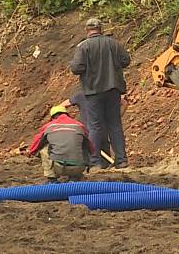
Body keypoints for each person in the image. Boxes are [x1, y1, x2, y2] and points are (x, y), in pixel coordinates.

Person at [69, 17, 131, 169]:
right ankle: (121, 160)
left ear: (87, 30)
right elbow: (126, 60)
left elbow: (76, 68)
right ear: (101, 29)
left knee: (95, 126)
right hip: (113, 89)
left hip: (93, 91)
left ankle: (95, 161)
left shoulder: (83, 47)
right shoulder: (113, 44)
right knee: (115, 124)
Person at [61, 91, 129, 168]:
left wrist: (66, 120)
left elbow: (61, 106)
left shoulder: (81, 95)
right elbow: (124, 103)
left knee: (88, 161)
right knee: (104, 162)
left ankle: (95, 167)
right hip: (103, 131)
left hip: (88, 134)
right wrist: (115, 119)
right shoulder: (107, 94)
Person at [28, 105, 92, 183]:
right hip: (78, 167)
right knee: (81, 145)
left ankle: (52, 179)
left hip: (59, 167)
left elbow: (35, 145)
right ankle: (74, 177)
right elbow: (90, 147)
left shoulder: (49, 126)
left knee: (45, 149)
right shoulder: (79, 125)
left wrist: (32, 153)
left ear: (52, 117)